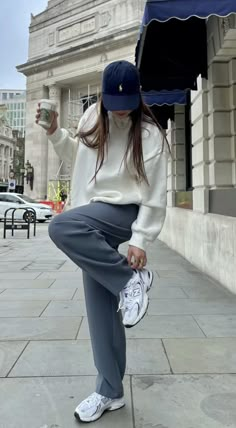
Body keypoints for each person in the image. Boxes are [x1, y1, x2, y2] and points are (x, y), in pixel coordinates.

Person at [35, 60, 169, 423]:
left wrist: (140, 240)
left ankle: (130, 280)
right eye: (113, 103)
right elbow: (80, 159)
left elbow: (156, 195)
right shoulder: (95, 116)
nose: (119, 111)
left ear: (138, 96)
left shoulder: (150, 135)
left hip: (124, 213)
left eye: (126, 104)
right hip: (92, 214)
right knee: (101, 313)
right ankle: (110, 391)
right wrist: (54, 133)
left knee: (60, 228)